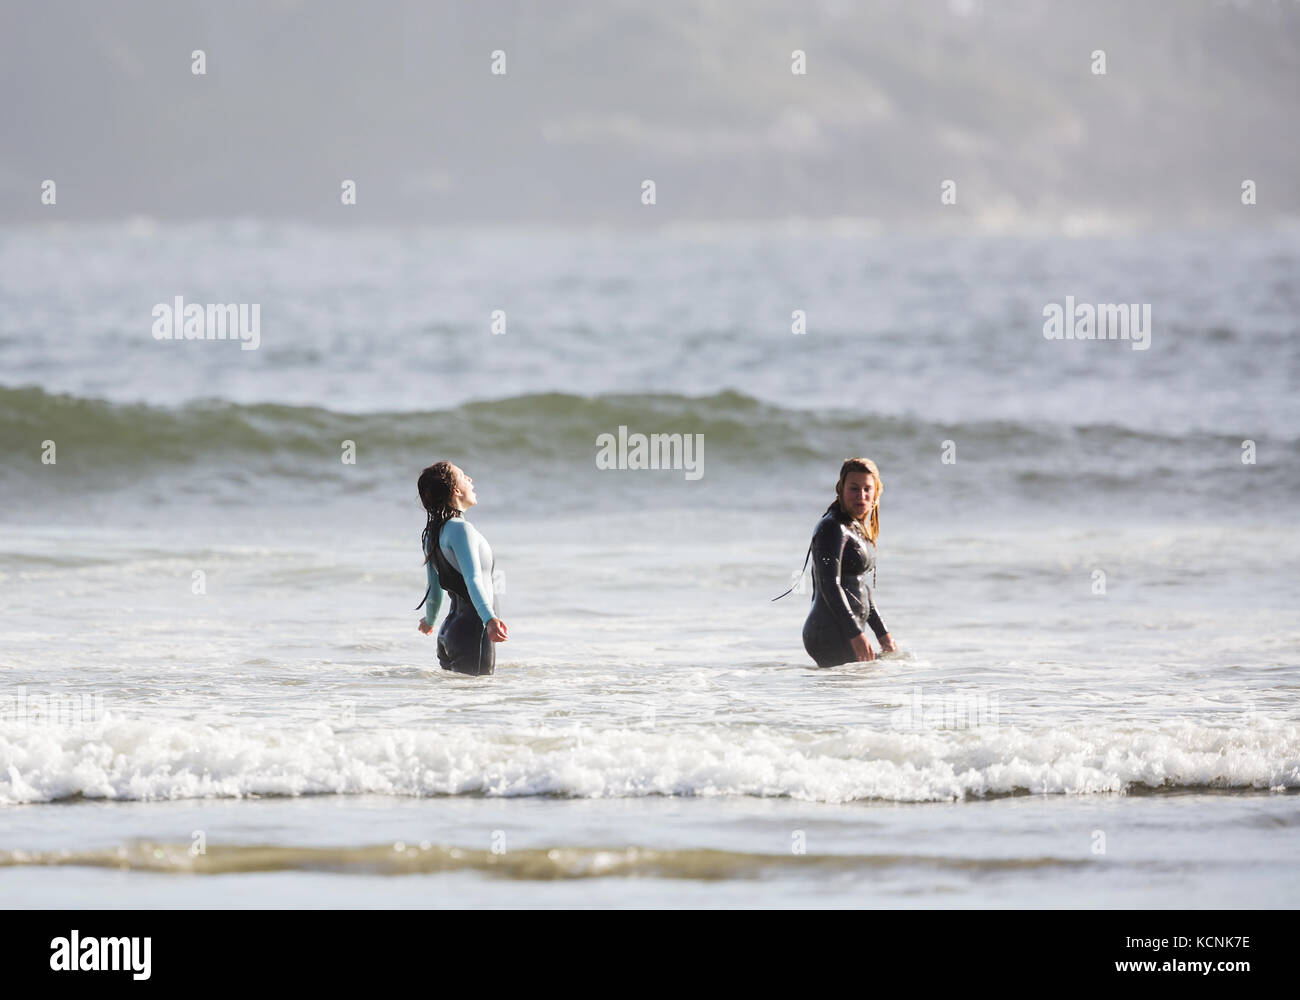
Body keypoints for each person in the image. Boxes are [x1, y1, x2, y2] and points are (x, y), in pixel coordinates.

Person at [776, 457, 899, 667]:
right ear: (840, 489)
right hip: (829, 632)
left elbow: (861, 587)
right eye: (854, 488)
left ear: (876, 493)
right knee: (857, 693)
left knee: (859, 690)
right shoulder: (832, 528)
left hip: (845, 631)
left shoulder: (854, 528)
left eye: (867, 489)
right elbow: (829, 584)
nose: (861, 495)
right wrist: (855, 634)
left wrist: (882, 633)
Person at [414, 461, 508, 675]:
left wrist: (430, 621)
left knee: (456, 706)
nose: (470, 480)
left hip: (449, 632)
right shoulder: (461, 529)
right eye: (464, 476)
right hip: (473, 632)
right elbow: (473, 579)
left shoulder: (433, 533)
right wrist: (489, 620)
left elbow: (434, 588)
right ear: (455, 490)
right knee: (477, 704)